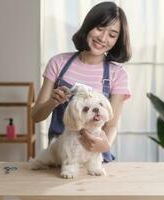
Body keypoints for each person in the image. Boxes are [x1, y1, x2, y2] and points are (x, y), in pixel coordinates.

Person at [31, 1, 131, 162]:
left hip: (96, 158)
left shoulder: (117, 74)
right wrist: (52, 102)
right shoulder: (58, 63)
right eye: (99, 28)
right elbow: (35, 116)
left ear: (117, 41)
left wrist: (104, 146)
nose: (103, 38)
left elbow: (111, 125)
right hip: (62, 157)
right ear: (89, 25)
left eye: (112, 35)